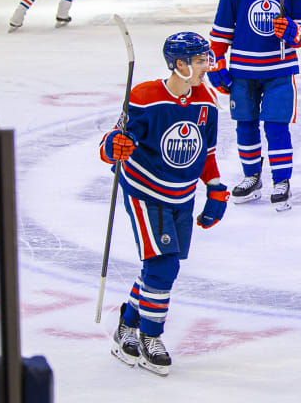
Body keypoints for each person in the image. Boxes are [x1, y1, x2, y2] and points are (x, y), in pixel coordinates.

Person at [100, 32, 228, 376]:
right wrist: (115, 145)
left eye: (206, 59)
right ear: (180, 64)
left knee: (158, 268)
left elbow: (207, 152)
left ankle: (127, 323)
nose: (207, 66)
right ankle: (149, 336)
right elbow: (110, 143)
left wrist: (215, 188)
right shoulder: (144, 97)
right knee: (164, 266)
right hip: (145, 191)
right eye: (201, 61)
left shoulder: (206, 100)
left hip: (182, 195)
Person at [208, 0, 301, 211]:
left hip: (279, 70)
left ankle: (281, 180)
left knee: (277, 127)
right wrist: (216, 61)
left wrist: (292, 30)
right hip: (243, 70)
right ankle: (252, 177)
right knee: (245, 125)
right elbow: (221, 32)